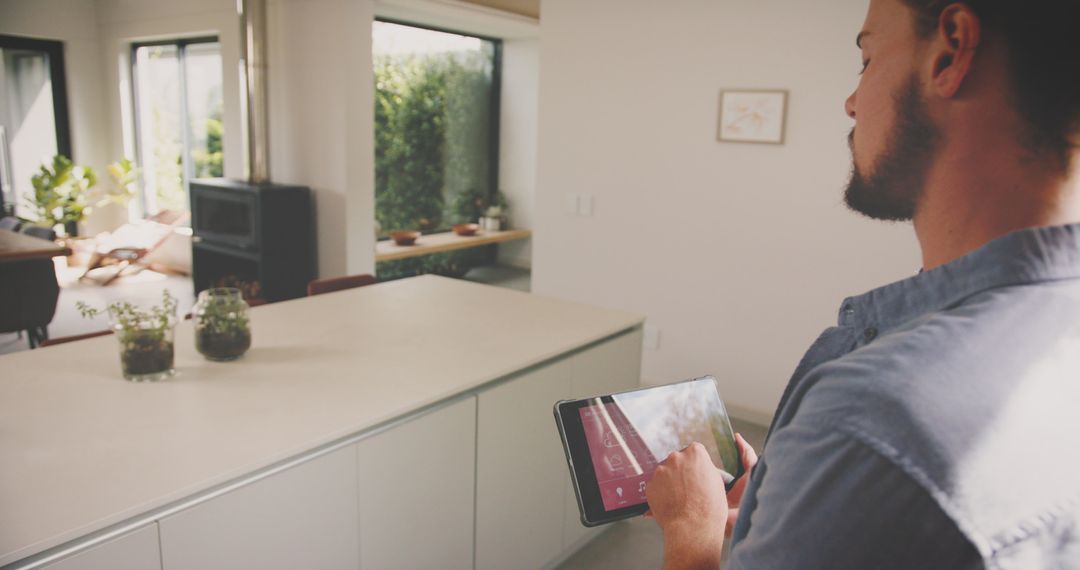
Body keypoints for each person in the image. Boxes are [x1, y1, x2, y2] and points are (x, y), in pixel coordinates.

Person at [646, 0, 1080, 568]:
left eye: (868, 58)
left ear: (951, 50)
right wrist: (788, 499)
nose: (851, 103)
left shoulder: (872, 420)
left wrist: (691, 530)